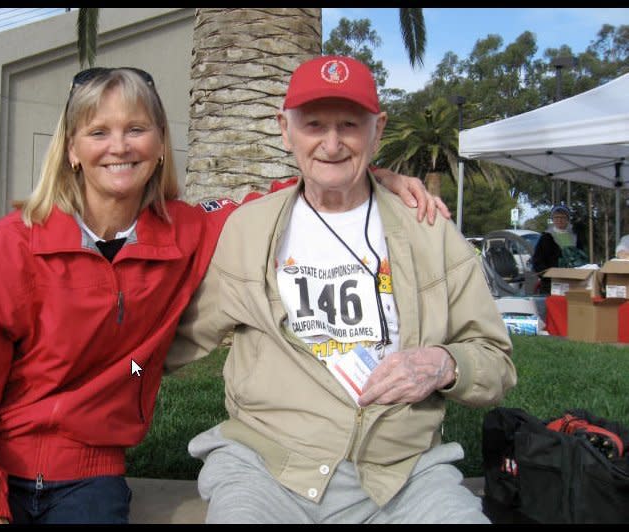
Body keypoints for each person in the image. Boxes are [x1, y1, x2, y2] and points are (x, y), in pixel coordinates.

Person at [0, 66, 446, 525]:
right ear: (72, 149)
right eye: (98, 131)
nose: (119, 146)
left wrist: (372, 174)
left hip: (89, 472)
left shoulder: (186, 232)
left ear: (160, 143)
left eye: (137, 129)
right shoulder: (6, 250)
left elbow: (275, 198)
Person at [166, 55, 517, 524]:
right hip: (269, 468)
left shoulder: (430, 231)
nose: (331, 144)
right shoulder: (247, 230)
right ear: (285, 129)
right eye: (314, 125)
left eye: (349, 125)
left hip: (403, 475)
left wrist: (444, 365)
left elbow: (496, 361)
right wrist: (119, 372)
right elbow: (172, 340)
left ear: (378, 130)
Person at [532, 205, 588, 293]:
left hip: (573, 280)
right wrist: (547, 275)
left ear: (568, 219)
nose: (559, 220)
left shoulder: (575, 236)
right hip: (552, 283)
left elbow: (581, 256)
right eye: (556, 217)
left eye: (562, 217)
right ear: (553, 219)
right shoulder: (546, 237)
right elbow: (537, 260)